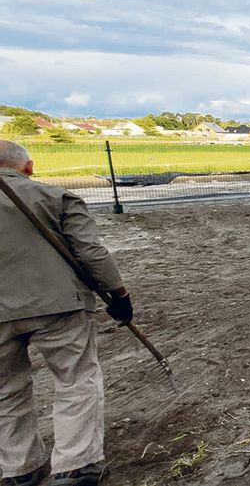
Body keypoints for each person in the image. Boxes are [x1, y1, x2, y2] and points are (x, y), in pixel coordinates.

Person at [1, 140, 133, 486]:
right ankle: (75, 465)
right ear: (29, 167)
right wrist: (118, 293)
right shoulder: (54, 196)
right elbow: (90, 250)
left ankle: (18, 467)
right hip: (59, 305)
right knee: (75, 379)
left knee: (5, 391)